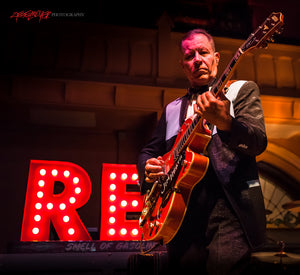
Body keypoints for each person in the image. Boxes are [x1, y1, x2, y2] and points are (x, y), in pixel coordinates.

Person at [137, 29, 267, 274]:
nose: (197, 59)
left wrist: (227, 123)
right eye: (189, 56)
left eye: (203, 52)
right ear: (183, 65)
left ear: (216, 58)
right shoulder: (172, 109)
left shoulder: (241, 91)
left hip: (229, 211)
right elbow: (147, 151)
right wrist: (147, 168)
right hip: (180, 214)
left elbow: (258, 142)